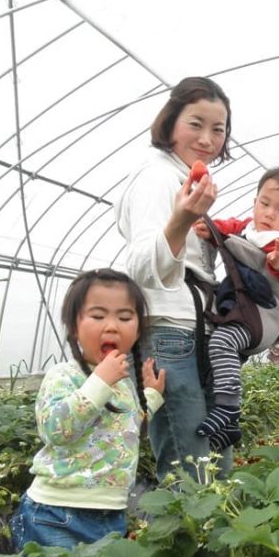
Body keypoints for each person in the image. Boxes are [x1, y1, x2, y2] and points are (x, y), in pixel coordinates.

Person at [115, 76, 231, 479]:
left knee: (214, 453)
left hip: (192, 330)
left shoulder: (184, 178)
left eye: (218, 129)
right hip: (169, 331)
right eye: (195, 124)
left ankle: (217, 537)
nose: (207, 138)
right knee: (192, 464)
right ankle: (191, 538)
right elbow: (139, 267)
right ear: (170, 122)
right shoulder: (156, 177)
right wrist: (182, 220)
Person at [9, 269, 166, 552]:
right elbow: (56, 431)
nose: (112, 326)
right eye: (97, 316)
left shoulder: (123, 382)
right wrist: (100, 382)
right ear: (73, 326)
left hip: (111, 513)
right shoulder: (64, 375)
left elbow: (129, 426)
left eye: (125, 317)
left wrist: (151, 395)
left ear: (138, 329)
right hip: (56, 513)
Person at [191, 167, 279, 450]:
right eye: (264, 203)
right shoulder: (249, 227)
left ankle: (228, 409)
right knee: (217, 358)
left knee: (222, 342)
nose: (269, 214)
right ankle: (231, 429)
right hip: (242, 311)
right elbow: (227, 226)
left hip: (262, 316)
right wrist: (208, 228)